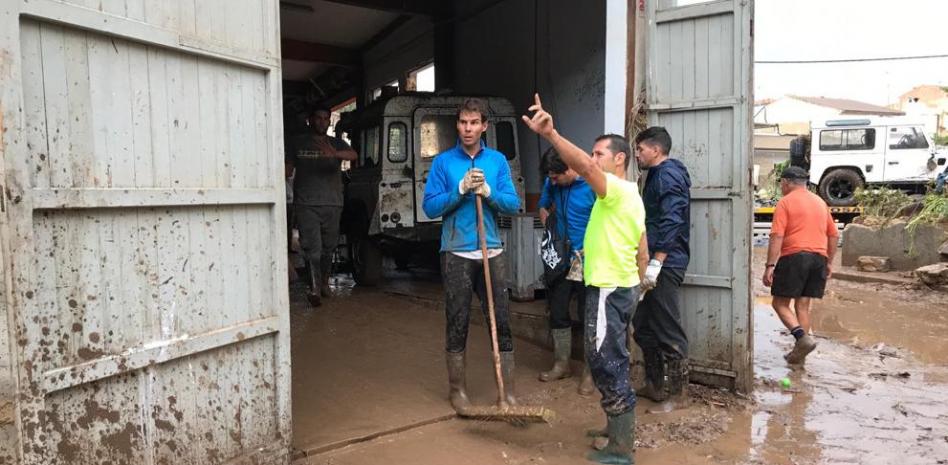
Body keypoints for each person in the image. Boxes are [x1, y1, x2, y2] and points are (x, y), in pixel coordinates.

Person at [524, 94, 648, 465]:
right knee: (611, 357)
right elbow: (642, 246)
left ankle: (621, 449)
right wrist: (639, 284)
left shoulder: (614, 191)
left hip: (609, 288)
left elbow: (586, 170)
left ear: (619, 159)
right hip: (619, 285)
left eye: (598, 154)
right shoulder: (628, 196)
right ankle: (614, 429)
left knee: (605, 361)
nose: (593, 160)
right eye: (592, 154)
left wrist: (552, 134)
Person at [422, 98, 521, 412]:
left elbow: (512, 204)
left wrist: (489, 192)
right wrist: (461, 189)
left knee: (501, 320)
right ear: (457, 125)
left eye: (474, 122)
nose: (468, 128)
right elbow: (430, 207)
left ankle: (507, 391)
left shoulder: (497, 161)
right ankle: (458, 391)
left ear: (484, 126)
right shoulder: (443, 163)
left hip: (491, 250)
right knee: (458, 319)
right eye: (463, 122)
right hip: (456, 251)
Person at [631, 126, 692, 411]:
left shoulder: (667, 175)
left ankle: (679, 395)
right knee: (643, 325)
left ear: (655, 150)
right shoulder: (654, 175)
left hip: (665, 262)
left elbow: (672, 219)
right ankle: (655, 386)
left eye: (641, 149)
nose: (637, 154)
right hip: (651, 260)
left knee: (667, 326)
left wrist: (657, 260)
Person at [762, 166, 839, 365]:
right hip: (818, 259)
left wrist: (770, 265)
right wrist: (829, 262)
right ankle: (801, 355)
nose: (781, 187)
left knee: (779, 304)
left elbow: (777, 235)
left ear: (786, 183)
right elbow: (833, 235)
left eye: (781, 183)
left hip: (795, 257)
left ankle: (801, 338)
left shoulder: (785, 202)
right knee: (802, 306)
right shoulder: (821, 202)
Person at [536, 148, 596, 395]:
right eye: (549, 177)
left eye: (556, 177)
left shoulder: (594, 184)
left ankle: (590, 374)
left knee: (588, 315)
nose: (552, 182)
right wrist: (551, 231)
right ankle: (562, 364)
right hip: (560, 260)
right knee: (558, 311)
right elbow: (542, 205)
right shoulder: (552, 183)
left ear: (571, 169)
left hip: (589, 260)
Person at [286, 106, 357, 307]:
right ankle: (314, 289)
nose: (321, 122)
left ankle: (324, 283)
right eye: (317, 118)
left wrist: (334, 153)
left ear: (329, 122)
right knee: (312, 249)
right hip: (306, 203)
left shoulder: (336, 143)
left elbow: (354, 155)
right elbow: (288, 169)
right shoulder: (297, 142)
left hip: (333, 203)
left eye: (325, 119)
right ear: (310, 120)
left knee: (328, 248)